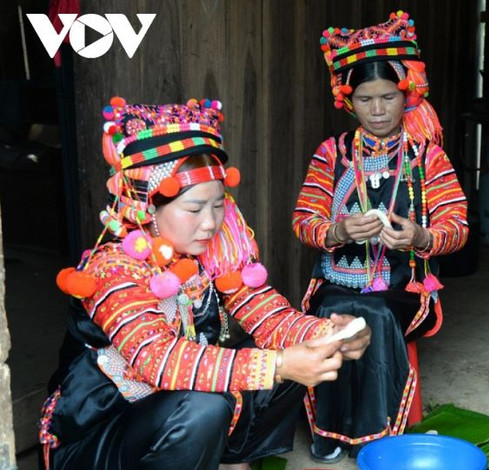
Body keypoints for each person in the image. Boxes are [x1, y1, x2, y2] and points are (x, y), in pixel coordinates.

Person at [39, 98, 371, 470]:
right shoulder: (114, 268)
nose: (211, 223)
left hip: (167, 409)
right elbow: (158, 359)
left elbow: (268, 316)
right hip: (102, 433)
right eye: (194, 209)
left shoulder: (211, 253)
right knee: (207, 404)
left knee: (288, 352)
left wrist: (329, 333)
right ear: (148, 206)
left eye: (217, 205)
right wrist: (277, 364)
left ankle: (233, 463)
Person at [292, 11, 469, 463]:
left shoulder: (427, 158)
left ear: (406, 94)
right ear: (347, 100)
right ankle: (330, 432)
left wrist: (421, 237)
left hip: (404, 288)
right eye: (365, 99)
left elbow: (458, 227)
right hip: (335, 283)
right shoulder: (331, 154)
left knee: (370, 312)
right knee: (334, 314)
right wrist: (338, 230)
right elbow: (303, 220)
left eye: (388, 97)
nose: (376, 110)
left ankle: (376, 435)